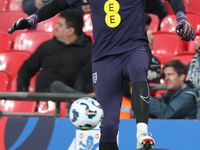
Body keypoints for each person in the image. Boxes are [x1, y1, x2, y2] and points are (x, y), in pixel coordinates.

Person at [7, 0, 196, 149]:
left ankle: (142, 131)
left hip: (134, 48)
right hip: (104, 58)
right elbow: (58, 3)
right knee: (108, 126)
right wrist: (33, 18)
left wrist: (181, 17)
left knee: (138, 69)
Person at [17, 9, 93, 93]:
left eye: (60, 25)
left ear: (70, 31)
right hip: (41, 100)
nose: (55, 27)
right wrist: (22, 92)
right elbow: (26, 69)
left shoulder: (90, 51)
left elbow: (91, 78)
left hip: (69, 102)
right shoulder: (47, 46)